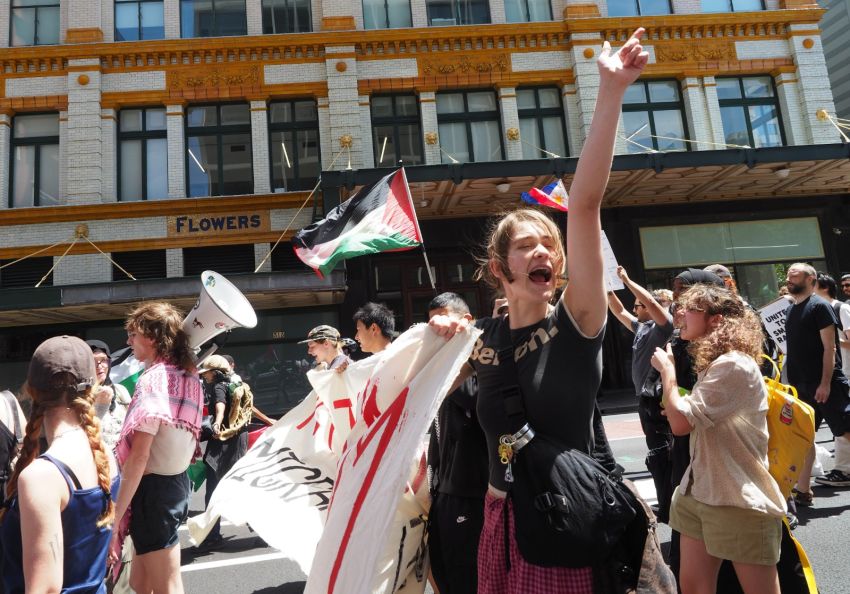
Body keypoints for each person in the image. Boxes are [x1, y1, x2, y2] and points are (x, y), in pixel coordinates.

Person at [429, 28, 648, 592]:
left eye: (547, 243)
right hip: (497, 518)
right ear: (500, 269)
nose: (543, 251)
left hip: (562, 515)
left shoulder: (578, 321)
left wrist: (611, 90)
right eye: (525, 245)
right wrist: (435, 340)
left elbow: (587, 203)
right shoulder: (481, 339)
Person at [651, 285, 786, 594]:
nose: (679, 314)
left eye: (690, 309)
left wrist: (668, 374)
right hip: (697, 491)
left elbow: (681, 424)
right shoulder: (716, 363)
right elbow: (686, 417)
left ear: (716, 320)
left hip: (737, 496)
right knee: (694, 587)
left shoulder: (733, 364)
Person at [0, 335, 120, 594]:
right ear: (92, 389)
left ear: (31, 390)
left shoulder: (41, 476)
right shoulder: (107, 457)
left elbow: (44, 589)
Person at [110, 302, 203, 594]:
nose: (128, 341)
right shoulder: (189, 375)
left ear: (151, 337)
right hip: (175, 485)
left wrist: (115, 518)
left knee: (165, 586)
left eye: (133, 334)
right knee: (141, 582)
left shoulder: (153, 380)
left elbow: (138, 457)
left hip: (153, 492)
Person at [426, 293, 488, 594]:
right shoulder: (438, 366)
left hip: (473, 494)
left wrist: (460, 353)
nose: (436, 327)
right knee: (444, 572)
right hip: (442, 493)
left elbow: (473, 399)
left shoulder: (483, 363)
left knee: (469, 580)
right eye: (430, 321)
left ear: (466, 321)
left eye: (443, 317)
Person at [607, 265, 674, 520]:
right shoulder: (641, 328)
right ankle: (666, 503)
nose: (635, 309)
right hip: (643, 398)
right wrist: (607, 286)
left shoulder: (663, 326)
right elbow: (618, 310)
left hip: (657, 398)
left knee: (662, 453)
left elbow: (649, 301)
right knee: (656, 453)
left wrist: (627, 279)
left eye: (638, 306)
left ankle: (669, 505)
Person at [784, 264, 850, 499]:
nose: (789, 278)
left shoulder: (820, 307)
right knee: (805, 436)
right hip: (801, 387)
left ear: (810, 278)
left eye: (795, 275)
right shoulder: (792, 309)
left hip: (825, 384)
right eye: (788, 275)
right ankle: (803, 489)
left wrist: (825, 383)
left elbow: (829, 348)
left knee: (845, 430)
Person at [196, 355, 247, 550]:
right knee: (242, 486)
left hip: (222, 443)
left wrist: (216, 422)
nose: (205, 376)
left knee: (213, 492)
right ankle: (261, 526)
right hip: (239, 441)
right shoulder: (239, 383)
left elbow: (219, 405)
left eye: (207, 372)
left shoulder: (218, 386)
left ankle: (212, 536)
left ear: (215, 372)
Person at [88, 340, 132, 449]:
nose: (100, 366)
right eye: (93, 361)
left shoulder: (120, 391)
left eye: (103, 360)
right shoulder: (77, 397)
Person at [814, 272, 850, 382]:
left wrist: (829, 340)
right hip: (831, 375)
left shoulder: (842, 308)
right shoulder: (817, 311)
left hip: (846, 374)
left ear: (825, 288)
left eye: (813, 285)